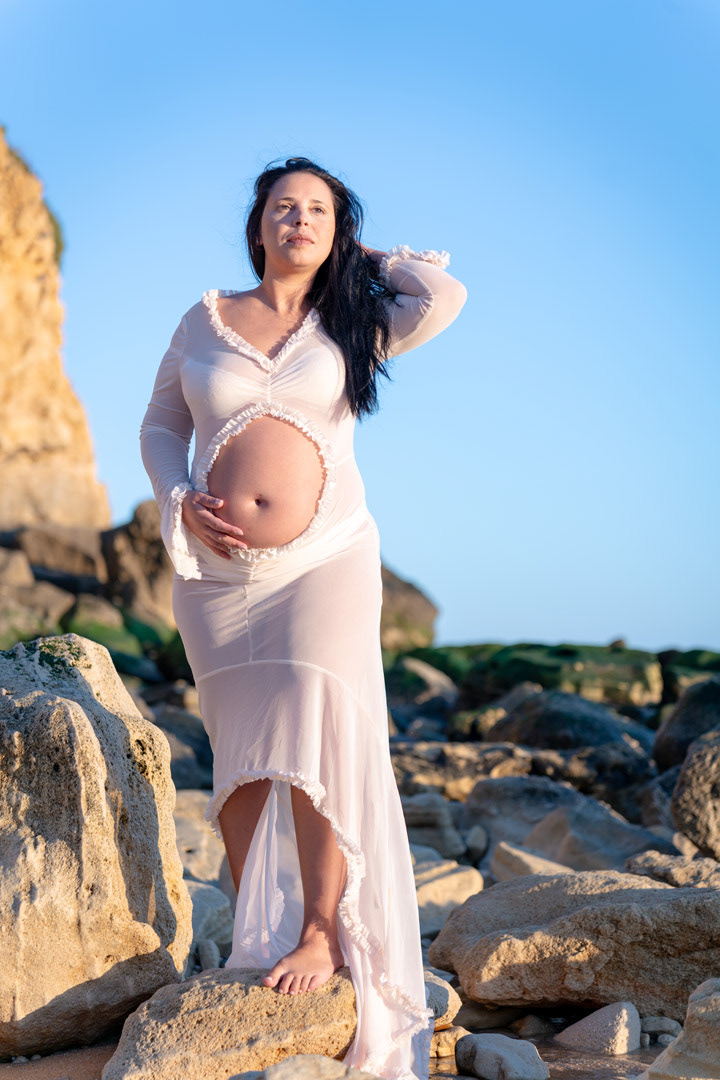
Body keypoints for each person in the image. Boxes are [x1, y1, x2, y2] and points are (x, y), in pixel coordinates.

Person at [139, 156, 467, 1080]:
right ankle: (262, 932)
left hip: (327, 559)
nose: (299, 221)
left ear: (337, 227)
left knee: (319, 718)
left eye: (318, 210)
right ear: (257, 224)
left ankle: (322, 930)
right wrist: (178, 497)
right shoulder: (203, 318)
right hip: (215, 575)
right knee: (243, 752)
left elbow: (443, 296)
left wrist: (358, 255)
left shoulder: (355, 320)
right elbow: (160, 425)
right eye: (284, 208)